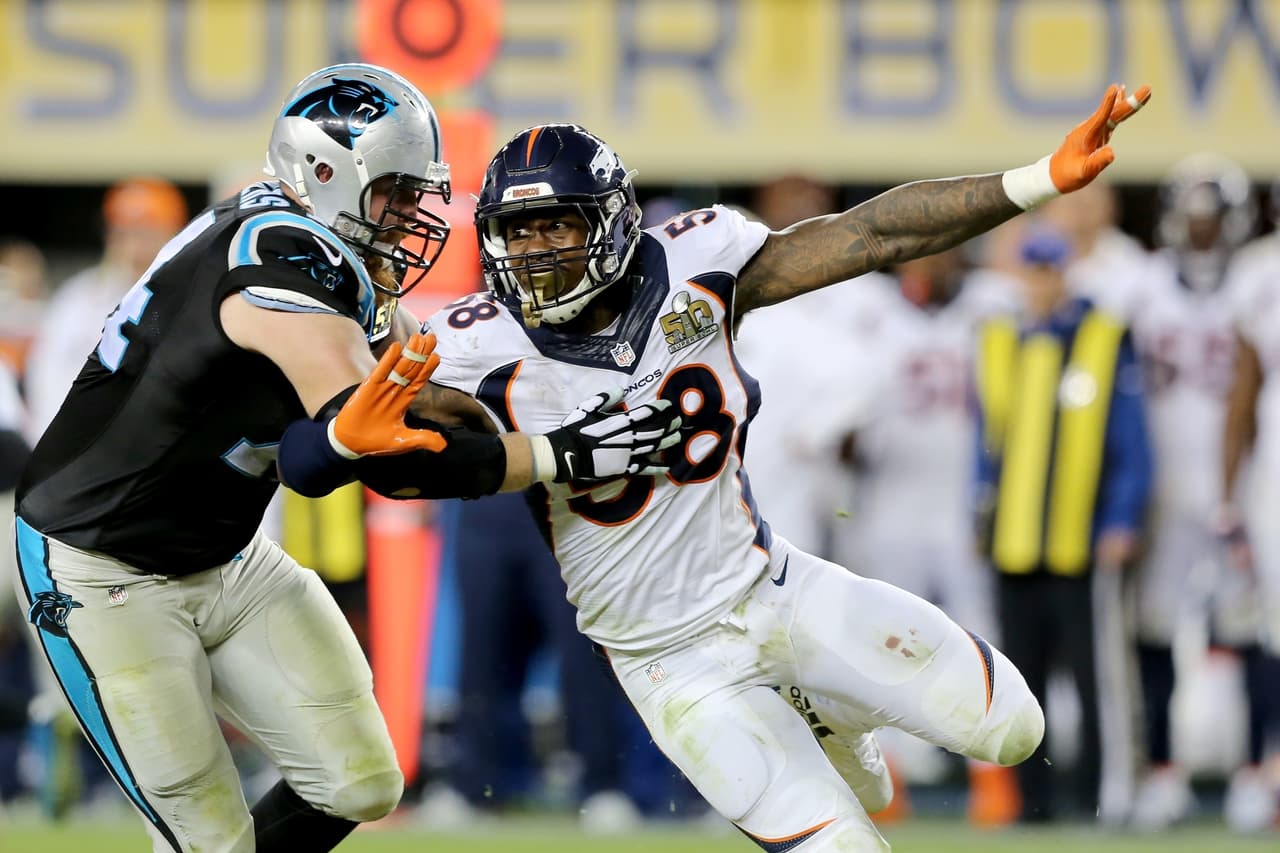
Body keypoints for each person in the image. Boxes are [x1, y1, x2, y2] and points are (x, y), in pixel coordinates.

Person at [411, 85, 1152, 850]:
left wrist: (1037, 180)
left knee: (1014, 725)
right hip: (669, 658)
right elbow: (406, 459)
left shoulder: (701, 260)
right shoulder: (473, 347)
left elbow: (871, 235)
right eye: (517, 233)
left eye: (556, 225)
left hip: (773, 586)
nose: (537, 252)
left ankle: (827, 721)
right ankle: (822, 727)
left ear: (612, 222)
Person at [9, 62, 680, 853]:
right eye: (394, 192)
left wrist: (532, 415)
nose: (409, 215)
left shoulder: (308, 245)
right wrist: (559, 453)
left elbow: (356, 430)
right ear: (323, 172)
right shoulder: (279, 260)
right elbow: (383, 456)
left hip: (222, 555)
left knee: (359, 780)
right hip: (101, 569)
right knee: (209, 838)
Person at [974, 227, 1153, 823]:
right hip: (1014, 541)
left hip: (1078, 540)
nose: (1042, 282)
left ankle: (1100, 799)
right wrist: (979, 510)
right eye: (1033, 270)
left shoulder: (1102, 337)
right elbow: (986, 442)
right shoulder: (1000, 338)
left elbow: (1130, 440)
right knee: (1020, 684)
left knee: (1092, 678)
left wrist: (1122, 517)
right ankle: (1034, 804)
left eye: (1051, 270)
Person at [25, 177, 189, 443]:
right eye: (122, 232)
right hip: (77, 446)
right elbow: (45, 377)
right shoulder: (79, 296)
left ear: (174, 233)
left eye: (145, 232)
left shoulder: (191, 293)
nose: (132, 245)